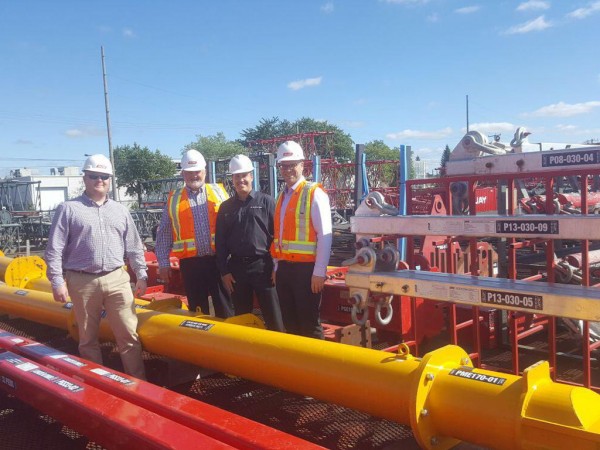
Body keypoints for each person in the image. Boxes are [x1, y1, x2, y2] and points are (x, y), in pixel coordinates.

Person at [45, 154, 147, 380]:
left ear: (110, 180)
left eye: (104, 177)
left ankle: (139, 385)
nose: (99, 180)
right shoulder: (68, 209)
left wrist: (141, 274)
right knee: (88, 339)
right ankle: (98, 385)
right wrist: (57, 281)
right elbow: (54, 249)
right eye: (94, 176)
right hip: (82, 281)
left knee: (128, 335)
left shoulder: (120, 211)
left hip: (117, 278)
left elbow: (133, 246)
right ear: (85, 178)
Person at [155, 149, 233, 318]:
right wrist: (163, 262)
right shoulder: (174, 199)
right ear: (183, 174)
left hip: (218, 261)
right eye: (189, 172)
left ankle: (227, 341)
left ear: (204, 171)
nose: (193, 176)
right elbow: (164, 233)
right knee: (197, 310)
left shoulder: (220, 193)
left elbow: (233, 225)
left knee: (225, 307)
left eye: (197, 171)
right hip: (191, 265)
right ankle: (201, 342)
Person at [215, 155, 284, 331]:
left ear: (252, 176)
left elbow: (278, 236)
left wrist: (276, 267)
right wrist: (224, 272)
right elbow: (220, 242)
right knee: (242, 319)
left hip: (264, 267)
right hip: (237, 269)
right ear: (232, 179)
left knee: (274, 316)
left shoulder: (267, 202)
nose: (241, 180)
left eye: (244, 175)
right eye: (237, 176)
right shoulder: (225, 208)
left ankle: (277, 352)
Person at [271, 141, 332, 339]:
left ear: (302, 165)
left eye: (292, 165)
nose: (288, 170)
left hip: (306, 271)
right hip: (285, 270)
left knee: (309, 324)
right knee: (290, 324)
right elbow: (278, 235)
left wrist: (319, 272)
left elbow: (325, 235)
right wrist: (276, 267)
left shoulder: (315, 193)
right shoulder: (282, 196)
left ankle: (317, 368)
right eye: (284, 165)